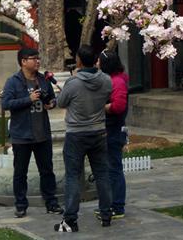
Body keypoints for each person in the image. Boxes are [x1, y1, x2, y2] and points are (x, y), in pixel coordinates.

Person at [54, 44, 113, 232]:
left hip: (77, 133)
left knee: (73, 175)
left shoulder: (74, 82)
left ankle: (70, 219)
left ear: (79, 60)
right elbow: (106, 98)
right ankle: (106, 213)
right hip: (99, 131)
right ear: (95, 60)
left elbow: (61, 102)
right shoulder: (105, 80)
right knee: (102, 173)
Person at [1, 47, 62, 218]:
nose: (37, 61)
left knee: (47, 171)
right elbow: (6, 104)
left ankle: (51, 202)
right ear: (23, 61)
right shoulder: (13, 81)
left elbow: (51, 98)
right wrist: (27, 99)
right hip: (22, 135)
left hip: (42, 133)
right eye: (33, 58)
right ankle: (21, 204)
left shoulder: (43, 80)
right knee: (20, 172)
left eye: (38, 58)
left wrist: (51, 104)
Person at [98, 50, 129, 220]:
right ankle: (110, 204)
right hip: (109, 130)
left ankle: (117, 205)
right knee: (109, 168)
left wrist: (101, 107)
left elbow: (118, 106)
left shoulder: (117, 82)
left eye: (99, 62)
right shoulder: (113, 80)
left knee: (114, 168)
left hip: (114, 130)